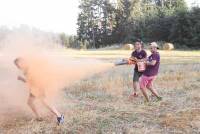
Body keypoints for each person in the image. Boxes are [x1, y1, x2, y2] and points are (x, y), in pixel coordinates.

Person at [14, 57, 64, 125]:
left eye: (17, 65)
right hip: (35, 87)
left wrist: (21, 79)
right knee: (32, 102)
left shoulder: (28, 69)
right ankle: (39, 116)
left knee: (43, 102)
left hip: (38, 87)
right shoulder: (26, 69)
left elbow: (31, 81)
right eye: (16, 65)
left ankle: (59, 116)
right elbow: (30, 82)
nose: (17, 67)